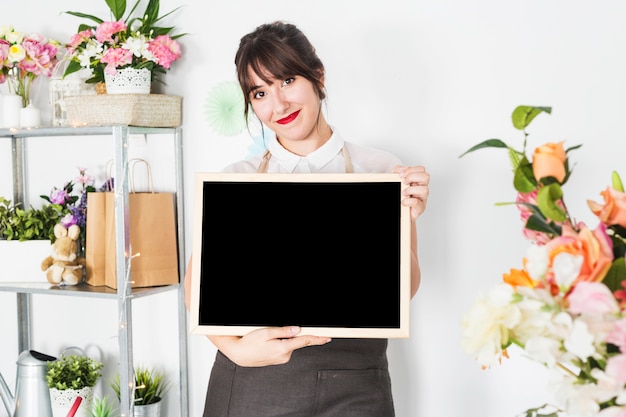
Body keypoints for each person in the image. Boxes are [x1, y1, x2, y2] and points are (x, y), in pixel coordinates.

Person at [184, 20, 430, 417]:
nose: (277, 104)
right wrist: (237, 350)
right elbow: (196, 289)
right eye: (260, 92)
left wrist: (405, 217)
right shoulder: (238, 180)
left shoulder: (381, 169)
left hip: (355, 382)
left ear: (317, 75)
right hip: (252, 379)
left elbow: (407, 289)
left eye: (287, 80)